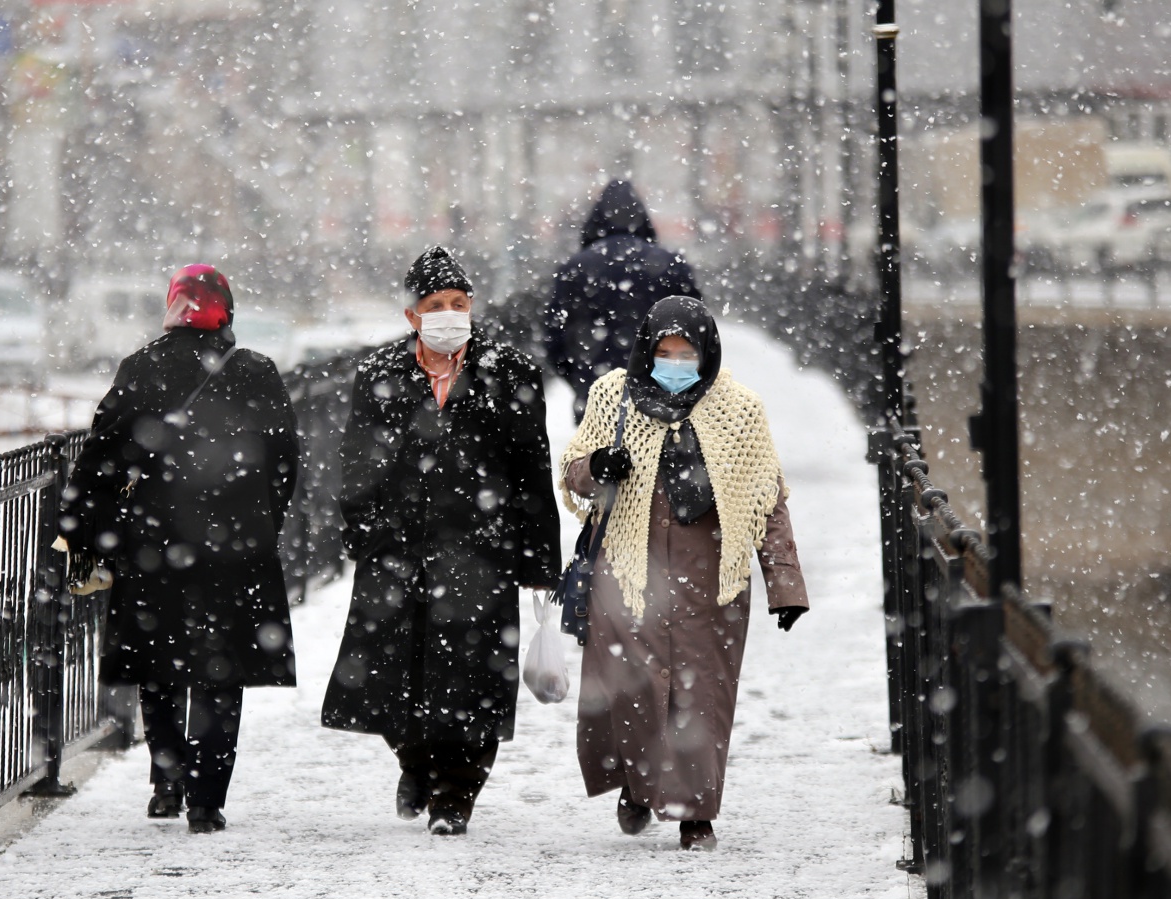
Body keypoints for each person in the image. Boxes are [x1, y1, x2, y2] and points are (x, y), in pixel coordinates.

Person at [322, 246, 562, 835]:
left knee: (474, 681)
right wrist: (363, 531)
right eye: (436, 305)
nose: (450, 314)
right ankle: (416, 762)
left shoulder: (511, 373)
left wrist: (538, 559)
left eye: (459, 303)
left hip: (482, 552)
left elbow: (531, 469)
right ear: (413, 317)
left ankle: (456, 794)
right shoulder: (380, 374)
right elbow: (356, 463)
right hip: (398, 550)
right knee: (386, 676)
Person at [559, 296, 807, 851]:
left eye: (686, 352)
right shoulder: (612, 394)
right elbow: (574, 470)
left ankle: (696, 812)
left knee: (702, 696)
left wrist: (785, 585)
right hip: (629, 571)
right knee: (634, 690)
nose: (674, 362)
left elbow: (767, 497)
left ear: (707, 352)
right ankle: (638, 784)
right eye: (663, 351)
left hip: (711, 575)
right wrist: (598, 466)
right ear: (646, 350)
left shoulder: (739, 408)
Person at [60, 265, 299, 831]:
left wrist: (79, 526)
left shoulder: (141, 367)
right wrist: (264, 517)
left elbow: (101, 455)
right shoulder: (256, 372)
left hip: (154, 542)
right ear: (226, 312)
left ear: (174, 306)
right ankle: (207, 800)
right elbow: (285, 459)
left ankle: (167, 782)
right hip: (235, 547)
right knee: (221, 673)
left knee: (159, 665)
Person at [543, 179, 702, 420]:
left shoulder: (575, 268)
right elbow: (699, 332)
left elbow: (554, 338)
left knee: (599, 456)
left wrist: (580, 379)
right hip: (662, 395)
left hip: (597, 395)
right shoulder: (670, 265)